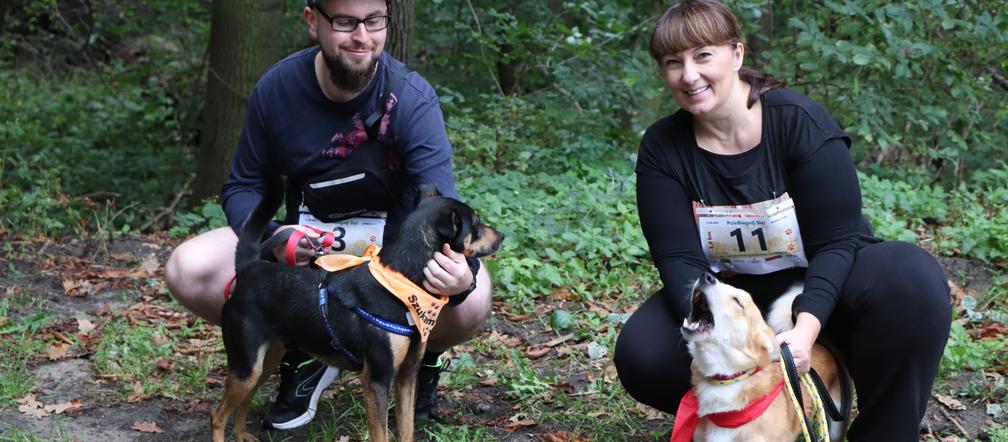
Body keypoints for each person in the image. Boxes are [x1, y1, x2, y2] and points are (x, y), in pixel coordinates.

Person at [613, 1, 951, 440]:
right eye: (673, 63)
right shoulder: (663, 147)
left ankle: (880, 423)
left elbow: (837, 240)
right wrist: (706, 335)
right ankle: (752, 419)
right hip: (736, 302)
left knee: (912, 280)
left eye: (702, 56)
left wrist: (806, 329)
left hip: (827, 284)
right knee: (644, 352)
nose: (689, 75)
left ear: (737, 54)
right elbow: (677, 257)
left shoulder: (799, 122)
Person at [165, 0, 493, 430]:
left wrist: (460, 277)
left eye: (374, 21)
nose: (362, 36)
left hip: (392, 261)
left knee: (474, 295)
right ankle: (305, 347)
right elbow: (243, 186)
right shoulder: (277, 89)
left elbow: (441, 205)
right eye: (345, 22)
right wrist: (274, 234)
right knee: (187, 267)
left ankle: (417, 356)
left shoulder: (411, 98)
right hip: (307, 258)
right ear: (311, 21)